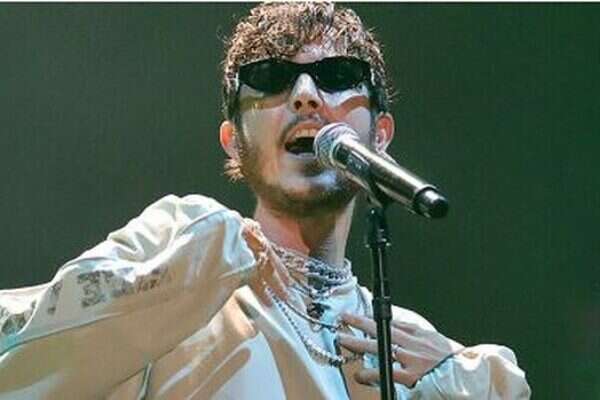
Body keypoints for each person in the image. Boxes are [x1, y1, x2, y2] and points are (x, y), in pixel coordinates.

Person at [0, 3, 531, 399]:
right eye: (271, 79)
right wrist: (195, 261)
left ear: (381, 136)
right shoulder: (186, 248)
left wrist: (467, 381)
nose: (305, 95)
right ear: (234, 142)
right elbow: (20, 359)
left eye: (338, 76)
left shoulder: (408, 348)